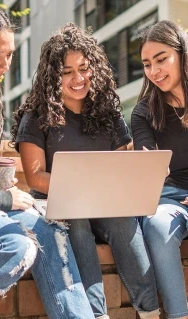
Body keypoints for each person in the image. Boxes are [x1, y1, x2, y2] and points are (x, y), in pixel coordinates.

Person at [0, 2, 96, 318]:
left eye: (9, 55)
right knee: (16, 245)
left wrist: (7, 193)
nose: (4, 64)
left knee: (51, 227)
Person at [11, 22, 160, 319]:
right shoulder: (37, 115)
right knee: (76, 223)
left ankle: (150, 311)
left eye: (83, 68)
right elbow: (36, 175)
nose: (78, 78)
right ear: (54, 76)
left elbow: (120, 167)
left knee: (123, 220)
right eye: (67, 72)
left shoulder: (109, 111)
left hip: (104, 203)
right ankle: (95, 314)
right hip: (59, 205)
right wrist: (77, 189)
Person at [131, 20, 188, 319]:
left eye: (162, 59)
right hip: (168, 200)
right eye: (147, 63)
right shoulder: (143, 112)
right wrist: (150, 165)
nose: (155, 71)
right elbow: (147, 161)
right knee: (156, 227)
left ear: (182, 54)